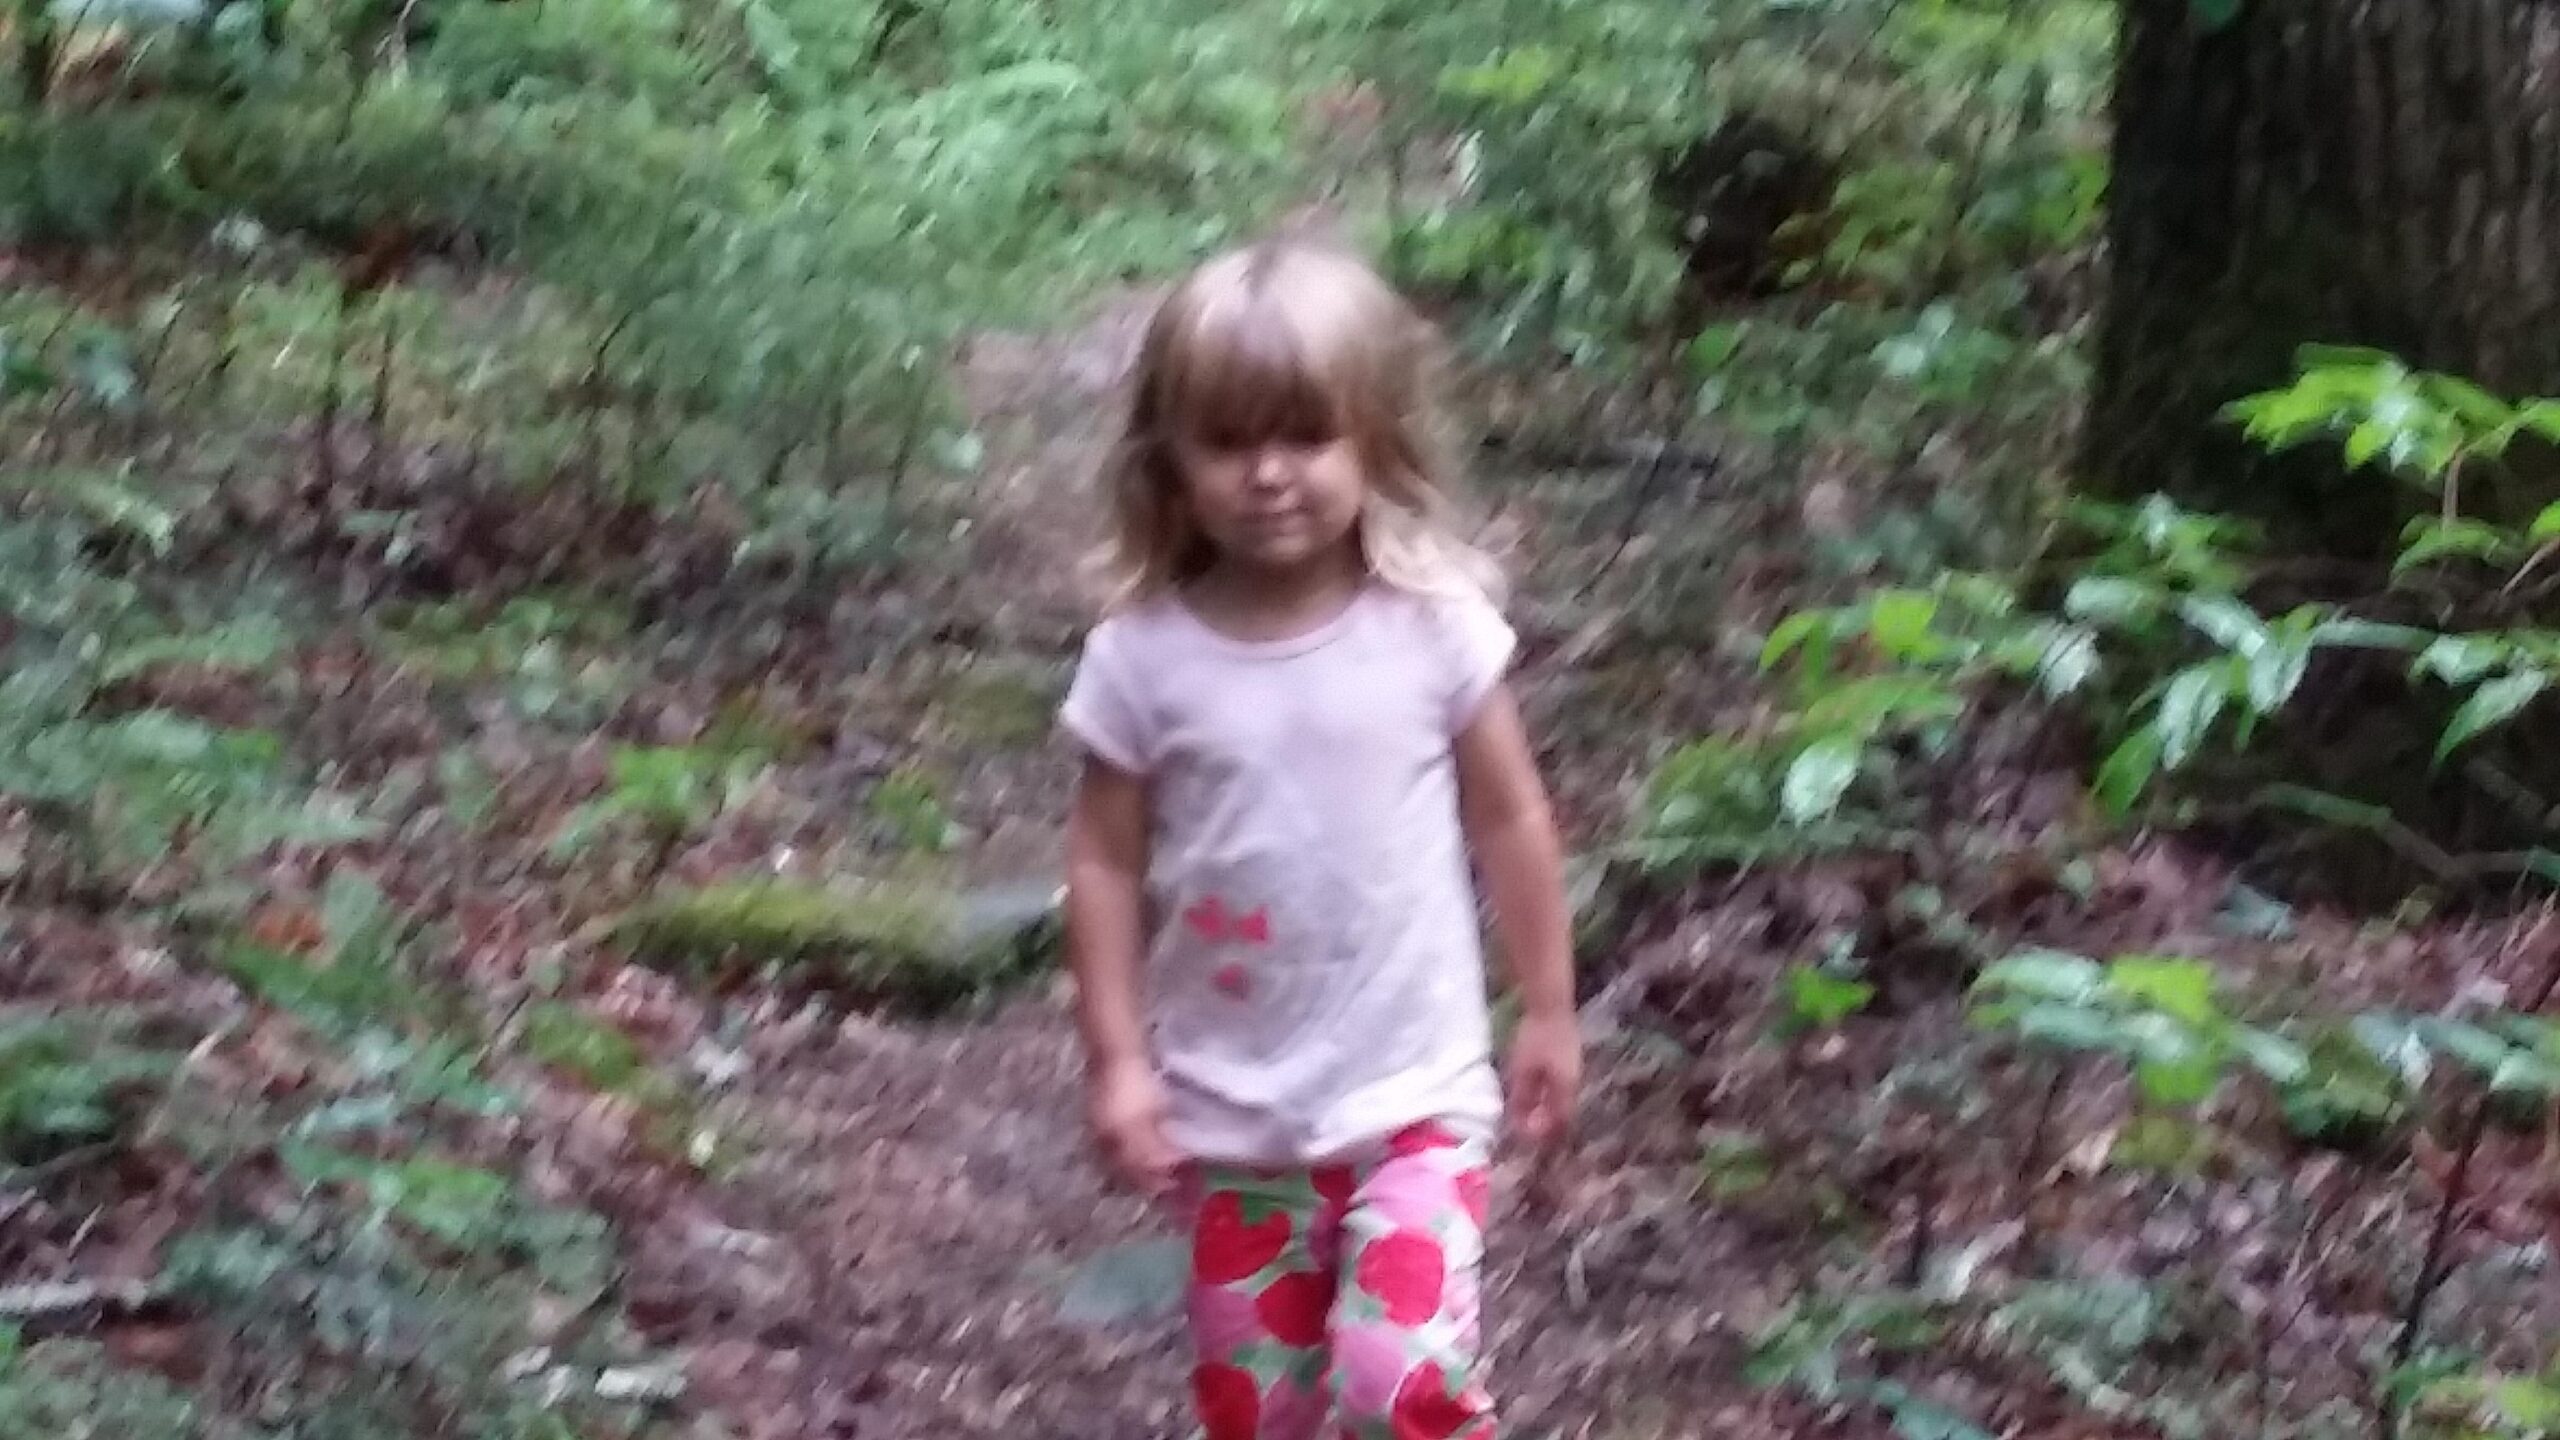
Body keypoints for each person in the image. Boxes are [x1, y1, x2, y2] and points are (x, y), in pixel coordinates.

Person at [1057, 235, 1579, 1440]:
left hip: (1414, 1100)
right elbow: (1101, 862)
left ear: (1375, 442)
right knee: (1257, 1415)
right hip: (1232, 1118)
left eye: (1306, 438)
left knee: (1399, 1384)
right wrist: (1117, 1058)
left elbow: (1509, 815)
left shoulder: (1434, 631)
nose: (1271, 474)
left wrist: (1546, 1005)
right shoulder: (1143, 662)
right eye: (1230, 444)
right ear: (1170, 463)